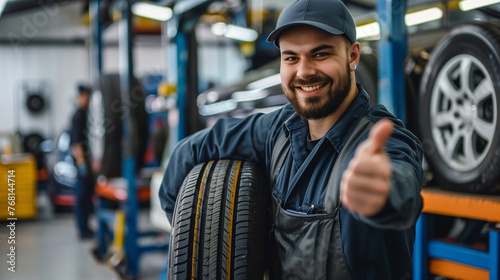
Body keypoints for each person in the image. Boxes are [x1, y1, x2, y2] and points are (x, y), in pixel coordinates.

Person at [159, 0, 423, 278]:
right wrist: (189, 231)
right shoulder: (278, 129)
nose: (304, 71)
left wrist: (382, 193)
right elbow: (188, 152)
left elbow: (400, 184)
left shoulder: (384, 142)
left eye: (320, 54)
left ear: (353, 56)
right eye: (291, 57)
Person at [70, 84, 94, 240]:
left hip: (86, 164)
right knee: (82, 197)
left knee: (86, 198)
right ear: (82, 96)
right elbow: (76, 144)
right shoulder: (78, 116)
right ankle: (82, 230)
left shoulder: (86, 114)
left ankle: (85, 227)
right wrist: (82, 164)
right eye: (87, 96)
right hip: (81, 165)